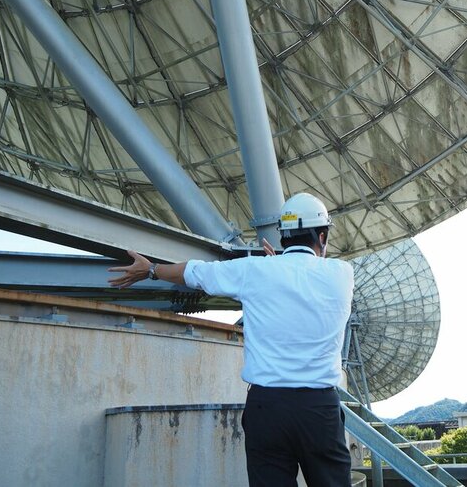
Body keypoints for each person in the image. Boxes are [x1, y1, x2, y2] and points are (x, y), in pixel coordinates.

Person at [109, 192, 355, 487]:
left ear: (282, 236)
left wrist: (151, 270)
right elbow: (302, 286)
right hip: (319, 410)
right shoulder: (343, 274)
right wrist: (276, 270)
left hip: (267, 407)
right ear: (323, 235)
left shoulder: (255, 271)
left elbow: (196, 272)